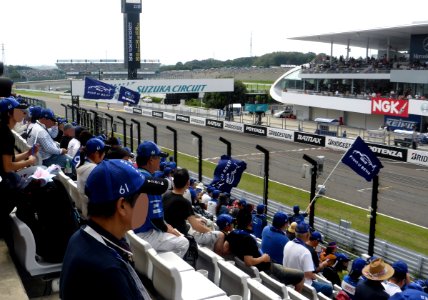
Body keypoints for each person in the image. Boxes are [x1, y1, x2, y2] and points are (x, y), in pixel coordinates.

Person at [60, 159, 169, 299]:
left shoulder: (80, 237)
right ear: (122, 206)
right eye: (142, 198)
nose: (146, 203)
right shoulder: (109, 271)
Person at [225, 206, 304, 291]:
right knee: (301, 275)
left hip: (262, 265)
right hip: (267, 267)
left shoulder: (233, 234)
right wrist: (263, 258)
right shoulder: (248, 239)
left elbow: (225, 249)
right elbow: (248, 261)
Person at [134, 141, 189, 258]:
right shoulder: (150, 183)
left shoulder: (135, 174)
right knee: (183, 242)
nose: (160, 160)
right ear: (151, 160)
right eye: (158, 157)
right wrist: (166, 228)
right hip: (144, 233)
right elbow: (155, 219)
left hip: (133, 232)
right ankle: (166, 272)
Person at [0, 97, 38, 241]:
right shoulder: (6, 134)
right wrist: (29, 161)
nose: (23, 113)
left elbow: (8, 159)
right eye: (19, 110)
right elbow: (8, 166)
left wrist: (28, 154)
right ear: (9, 113)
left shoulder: (3, 130)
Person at [163, 168, 225, 255]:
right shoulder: (184, 202)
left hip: (173, 230)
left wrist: (196, 221)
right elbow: (196, 227)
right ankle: (219, 262)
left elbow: (175, 216)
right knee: (220, 235)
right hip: (183, 234)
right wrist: (209, 231)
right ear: (188, 183)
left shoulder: (166, 195)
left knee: (201, 222)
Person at [283, 222, 333, 297]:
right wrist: (315, 277)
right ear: (307, 235)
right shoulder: (305, 252)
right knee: (329, 288)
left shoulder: (288, 243)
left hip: (288, 279)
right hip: (303, 284)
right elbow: (308, 274)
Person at [76, 137, 108, 218]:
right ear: (97, 153)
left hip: (85, 209)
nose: (104, 154)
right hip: (94, 214)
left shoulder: (81, 164)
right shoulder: (94, 170)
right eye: (103, 152)